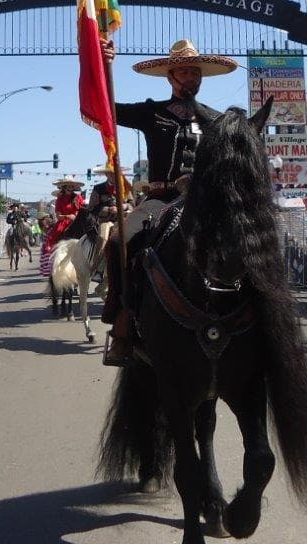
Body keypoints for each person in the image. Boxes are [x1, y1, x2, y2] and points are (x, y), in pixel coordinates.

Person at [98, 38, 235, 365]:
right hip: (159, 201)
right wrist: (105, 66)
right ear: (170, 77)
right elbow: (105, 108)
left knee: (245, 241)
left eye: (195, 73)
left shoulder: (218, 120)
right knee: (117, 242)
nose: (191, 78)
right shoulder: (152, 112)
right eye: (185, 72)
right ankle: (121, 322)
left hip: (206, 202)